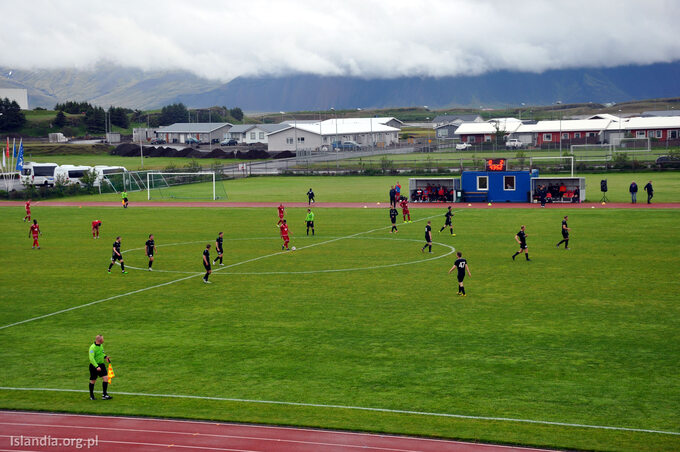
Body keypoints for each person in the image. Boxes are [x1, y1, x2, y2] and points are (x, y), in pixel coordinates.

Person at [88, 335, 112, 400]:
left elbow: (101, 354)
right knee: (93, 380)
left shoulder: (101, 346)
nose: (103, 340)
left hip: (101, 365)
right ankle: (91, 396)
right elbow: (91, 358)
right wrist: (96, 366)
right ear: (99, 340)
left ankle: (104, 394)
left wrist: (105, 357)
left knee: (106, 378)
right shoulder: (92, 348)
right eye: (103, 339)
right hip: (94, 366)